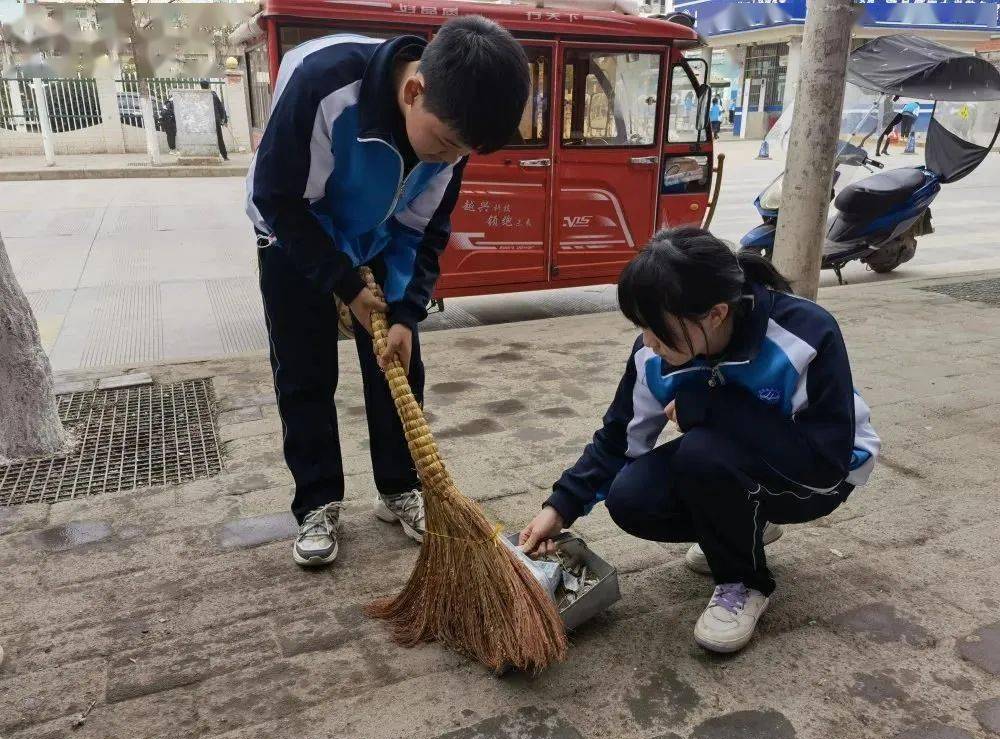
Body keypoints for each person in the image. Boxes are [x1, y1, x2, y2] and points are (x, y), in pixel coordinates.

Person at [246, 18, 530, 567]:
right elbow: (277, 196)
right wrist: (345, 283)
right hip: (292, 232)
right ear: (413, 91)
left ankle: (400, 488)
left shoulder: (454, 127)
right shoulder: (323, 84)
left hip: (377, 230)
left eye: (461, 153)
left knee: (398, 364)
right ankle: (317, 501)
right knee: (305, 373)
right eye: (446, 145)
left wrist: (405, 312)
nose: (448, 161)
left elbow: (423, 232)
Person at [520, 228, 880, 653]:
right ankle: (743, 529)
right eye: (642, 326)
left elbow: (825, 464)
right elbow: (619, 438)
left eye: (657, 328)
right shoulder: (654, 354)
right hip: (741, 462)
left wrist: (710, 405)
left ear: (716, 314)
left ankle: (744, 583)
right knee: (632, 497)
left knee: (703, 451)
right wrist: (559, 507)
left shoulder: (804, 333)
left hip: (822, 474)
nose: (649, 342)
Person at [200, 80, 229, 161]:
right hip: (215, 120)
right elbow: (220, 107)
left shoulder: (200, 96)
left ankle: (209, 156)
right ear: (208, 86)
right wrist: (224, 119)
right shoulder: (213, 94)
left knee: (207, 138)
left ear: (201, 87)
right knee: (219, 138)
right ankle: (225, 156)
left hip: (206, 121)